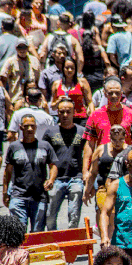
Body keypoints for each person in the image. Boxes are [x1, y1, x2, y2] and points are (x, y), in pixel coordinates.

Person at [4, 115, 58, 232]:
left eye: (32, 126)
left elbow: (53, 165)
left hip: (39, 197)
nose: (29, 129)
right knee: (18, 232)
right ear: (20, 127)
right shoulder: (14, 147)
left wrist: (51, 180)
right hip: (18, 195)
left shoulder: (45, 146)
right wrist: (5, 192)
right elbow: (7, 172)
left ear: (36, 127)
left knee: (37, 233)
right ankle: (19, 251)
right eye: (26, 126)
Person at [83, 77, 132, 174]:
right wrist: (85, 171)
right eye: (110, 93)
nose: (114, 96)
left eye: (117, 93)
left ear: (122, 93)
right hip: (103, 163)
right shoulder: (95, 115)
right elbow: (90, 144)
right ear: (105, 93)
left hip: (127, 165)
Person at [42, 98, 86, 230]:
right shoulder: (50, 132)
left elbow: (89, 154)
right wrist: (47, 178)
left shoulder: (82, 131)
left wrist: (86, 175)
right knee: (49, 215)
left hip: (76, 178)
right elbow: (44, 156)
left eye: (68, 112)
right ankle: (53, 243)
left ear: (74, 113)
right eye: (62, 112)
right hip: (56, 179)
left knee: (74, 217)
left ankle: (70, 244)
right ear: (57, 113)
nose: (65, 115)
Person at [52, 58, 93, 126]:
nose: (70, 70)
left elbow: (90, 102)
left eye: (72, 68)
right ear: (63, 68)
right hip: (63, 119)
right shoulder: (56, 84)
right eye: (67, 68)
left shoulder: (82, 82)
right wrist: (58, 101)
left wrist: (92, 117)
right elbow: (53, 107)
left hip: (80, 118)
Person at [0, 38, 42, 104]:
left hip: (33, 98)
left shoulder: (35, 60)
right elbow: (2, 79)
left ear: (28, 48)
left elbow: (39, 81)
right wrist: (6, 98)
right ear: (16, 48)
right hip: (17, 97)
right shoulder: (10, 61)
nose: (22, 50)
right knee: (18, 104)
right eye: (20, 48)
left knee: (44, 105)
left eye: (24, 47)